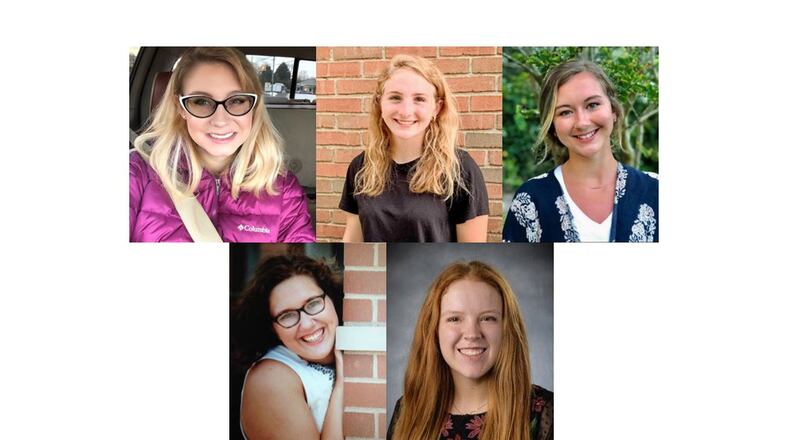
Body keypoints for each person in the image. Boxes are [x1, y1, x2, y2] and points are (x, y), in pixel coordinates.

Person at [130, 47, 315, 242]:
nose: (220, 120)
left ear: (254, 106)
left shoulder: (284, 189)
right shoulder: (137, 172)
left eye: (237, 100)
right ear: (181, 108)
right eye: (200, 101)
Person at [388, 261, 553, 440]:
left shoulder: (548, 412)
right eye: (455, 319)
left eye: (488, 318)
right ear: (434, 330)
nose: (472, 334)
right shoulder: (407, 409)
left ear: (507, 329)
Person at [503, 59, 658, 242]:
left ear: (613, 110)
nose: (582, 122)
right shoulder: (530, 199)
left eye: (592, 105)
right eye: (565, 112)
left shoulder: (656, 190)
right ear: (552, 125)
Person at [339, 54, 489, 242]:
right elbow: (353, 241)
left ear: (437, 108)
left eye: (419, 99)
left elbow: (472, 249)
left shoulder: (461, 169)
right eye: (395, 97)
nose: (406, 111)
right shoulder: (360, 166)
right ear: (380, 103)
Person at [233, 254, 344, 439]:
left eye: (313, 303)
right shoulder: (270, 378)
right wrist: (342, 385)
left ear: (331, 298)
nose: (307, 324)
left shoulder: (346, 350)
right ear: (272, 328)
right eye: (287, 315)